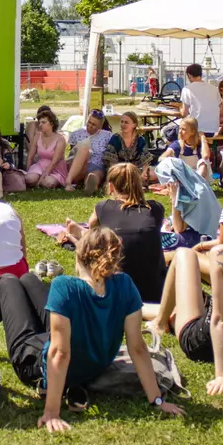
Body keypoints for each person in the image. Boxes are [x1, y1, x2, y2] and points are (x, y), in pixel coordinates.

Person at [0, 227, 184, 433]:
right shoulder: (125, 284)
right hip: (88, 362)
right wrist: (157, 400)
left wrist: (52, 411)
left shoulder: (64, 286)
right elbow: (138, 347)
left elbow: (60, 353)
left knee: (8, 281)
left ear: (78, 256)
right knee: (28, 279)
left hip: (37, 364)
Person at [145, 191, 223, 396]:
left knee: (184, 254)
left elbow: (221, 321)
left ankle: (159, 322)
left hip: (205, 342)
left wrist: (222, 375)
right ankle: (154, 315)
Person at [63, 164, 166, 303]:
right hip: (155, 292)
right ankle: (79, 231)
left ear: (111, 187)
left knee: (93, 242)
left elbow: (94, 234)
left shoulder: (103, 207)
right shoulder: (156, 209)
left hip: (115, 291)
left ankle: (78, 232)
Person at [64, 110, 113, 194]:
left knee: (94, 175)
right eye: (89, 122)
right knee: (84, 148)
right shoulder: (77, 133)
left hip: (97, 166)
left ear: (100, 127)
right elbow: (72, 154)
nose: (90, 125)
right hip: (79, 166)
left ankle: (90, 186)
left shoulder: (107, 135)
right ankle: (68, 182)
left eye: (94, 124)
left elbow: (110, 153)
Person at [158, 116, 211, 182]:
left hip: (199, 178)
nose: (180, 132)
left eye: (183, 129)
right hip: (183, 177)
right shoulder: (178, 144)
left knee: (204, 162)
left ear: (192, 131)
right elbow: (161, 158)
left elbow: (206, 156)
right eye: (179, 128)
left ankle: (197, 184)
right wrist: (170, 161)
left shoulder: (199, 145)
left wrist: (203, 138)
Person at [103, 111, 153, 180]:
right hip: (119, 172)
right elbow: (111, 164)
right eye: (122, 122)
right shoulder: (115, 139)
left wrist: (144, 172)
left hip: (136, 172)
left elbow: (145, 162)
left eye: (126, 122)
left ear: (134, 125)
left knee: (152, 174)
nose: (123, 124)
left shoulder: (140, 140)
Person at [25, 109, 67, 189]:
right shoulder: (37, 136)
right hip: (40, 165)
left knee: (48, 183)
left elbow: (54, 162)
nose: (40, 125)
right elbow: (30, 157)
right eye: (39, 122)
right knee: (29, 179)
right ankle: (37, 180)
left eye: (43, 122)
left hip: (55, 168)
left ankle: (43, 181)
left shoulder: (60, 139)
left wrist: (41, 178)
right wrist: (28, 171)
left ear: (51, 124)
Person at [180, 63, 221, 136]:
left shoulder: (187, 89)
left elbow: (184, 113)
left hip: (195, 128)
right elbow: (219, 105)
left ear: (189, 75)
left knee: (168, 131)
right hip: (212, 128)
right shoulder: (214, 88)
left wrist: (179, 109)